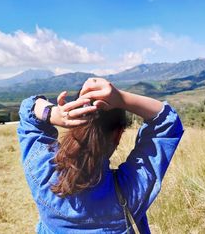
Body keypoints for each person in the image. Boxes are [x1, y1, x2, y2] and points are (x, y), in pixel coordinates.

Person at [17, 77, 184, 233]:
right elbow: (167, 122)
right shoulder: (130, 191)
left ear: (72, 126)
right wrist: (121, 99)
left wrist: (52, 114)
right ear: (118, 135)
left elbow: (28, 108)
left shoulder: (42, 174)